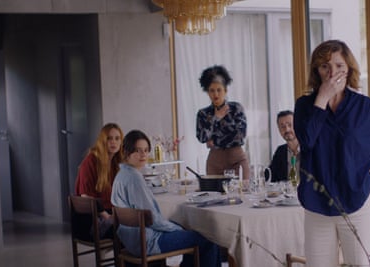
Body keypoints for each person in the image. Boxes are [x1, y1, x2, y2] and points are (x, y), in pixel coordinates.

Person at [293, 40, 370, 267]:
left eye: (339, 66)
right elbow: (306, 141)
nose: (332, 72)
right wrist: (322, 99)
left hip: (356, 201)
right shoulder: (305, 106)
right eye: (325, 66)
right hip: (317, 206)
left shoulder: (366, 108)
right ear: (317, 70)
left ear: (349, 69)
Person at [111, 130, 221, 267]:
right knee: (209, 239)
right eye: (138, 151)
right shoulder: (134, 178)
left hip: (131, 240)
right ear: (127, 152)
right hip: (148, 241)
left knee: (191, 234)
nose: (143, 155)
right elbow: (153, 220)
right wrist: (179, 229)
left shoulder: (122, 174)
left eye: (146, 150)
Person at [196, 65, 249, 181]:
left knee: (242, 193)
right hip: (215, 163)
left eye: (219, 90)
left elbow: (240, 135)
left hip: (237, 160)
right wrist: (216, 117)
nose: (216, 94)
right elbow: (202, 137)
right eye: (212, 90)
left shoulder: (236, 108)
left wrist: (214, 140)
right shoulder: (203, 113)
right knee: (214, 197)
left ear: (225, 90)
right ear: (207, 92)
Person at [74, 122, 124, 239]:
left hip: (110, 214)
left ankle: (128, 256)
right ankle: (126, 256)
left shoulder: (116, 163)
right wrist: (107, 216)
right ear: (102, 141)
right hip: (91, 220)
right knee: (135, 231)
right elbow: (86, 198)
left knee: (144, 227)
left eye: (117, 138)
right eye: (109, 138)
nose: (114, 142)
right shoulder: (90, 161)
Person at [268, 110, 300, 182]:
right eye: (282, 126)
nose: (287, 129)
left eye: (290, 125)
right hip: (286, 193)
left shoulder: (309, 149)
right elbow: (270, 176)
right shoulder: (280, 151)